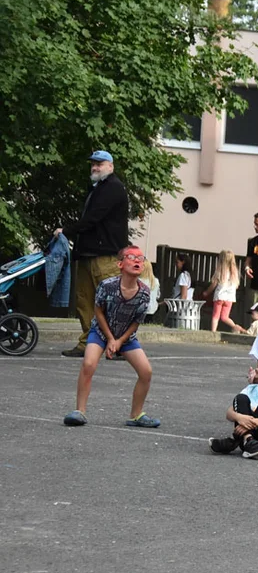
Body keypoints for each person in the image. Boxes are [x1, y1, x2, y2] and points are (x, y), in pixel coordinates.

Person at [62, 245, 159, 428]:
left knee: (146, 372)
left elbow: (136, 322)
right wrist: (109, 339)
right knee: (89, 364)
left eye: (141, 258)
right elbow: (98, 312)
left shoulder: (144, 293)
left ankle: (136, 415)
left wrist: (119, 341)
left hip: (126, 337)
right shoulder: (107, 286)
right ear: (120, 264)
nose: (137, 260)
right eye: (132, 257)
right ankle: (79, 411)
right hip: (100, 332)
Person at [56, 150, 130, 357]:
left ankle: (120, 345)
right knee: (85, 300)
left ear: (111, 166)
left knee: (110, 302)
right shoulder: (98, 188)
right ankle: (89, 343)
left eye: (100, 164)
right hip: (89, 253)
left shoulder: (113, 188)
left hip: (105, 255)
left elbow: (94, 218)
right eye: (93, 164)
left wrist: (67, 231)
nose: (95, 167)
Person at [209, 351, 258, 458]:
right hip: (249, 441)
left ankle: (234, 440)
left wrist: (252, 422)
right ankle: (248, 440)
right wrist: (240, 417)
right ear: (257, 373)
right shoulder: (250, 390)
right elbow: (229, 413)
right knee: (241, 398)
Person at [203, 250, 247, 333]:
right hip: (229, 298)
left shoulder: (220, 272)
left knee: (215, 316)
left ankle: (213, 332)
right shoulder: (234, 273)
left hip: (219, 296)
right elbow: (236, 286)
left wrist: (206, 292)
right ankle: (236, 327)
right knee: (224, 317)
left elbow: (213, 284)